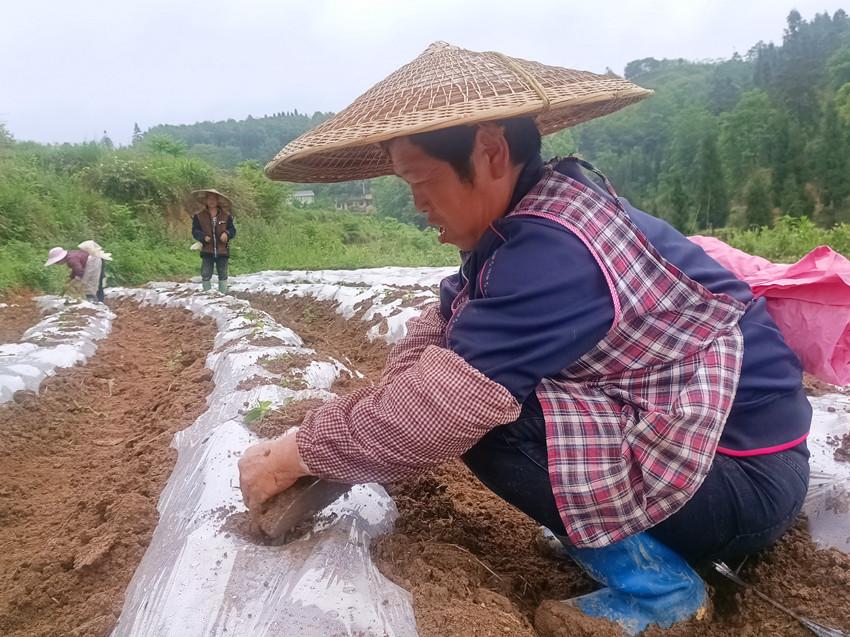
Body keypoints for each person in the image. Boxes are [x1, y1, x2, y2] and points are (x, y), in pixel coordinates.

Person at [239, 43, 811, 635]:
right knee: (461, 389)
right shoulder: (520, 224)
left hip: (744, 480)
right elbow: (439, 339)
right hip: (698, 440)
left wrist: (290, 454)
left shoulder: (555, 250)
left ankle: (659, 588)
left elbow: (437, 405)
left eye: (421, 179)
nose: (417, 204)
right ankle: (610, 527)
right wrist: (329, 441)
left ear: (489, 153)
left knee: (487, 419)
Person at [191, 189, 236, 293]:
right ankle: (207, 295)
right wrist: (203, 237)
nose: (211, 201)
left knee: (223, 274)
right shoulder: (199, 216)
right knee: (206, 273)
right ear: (206, 200)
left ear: (218, 201)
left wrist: (227, 234)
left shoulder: (226, 215)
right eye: (209, 198)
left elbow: (232, 230)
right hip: (207, 250)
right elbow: (195, 230)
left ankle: (223, 296)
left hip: (223, 250)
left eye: (214, 199)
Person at [44, 241, 110, 302]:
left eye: (56, 262)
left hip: (94, 261)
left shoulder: (71, 259)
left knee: (90, 285)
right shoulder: (70, 256)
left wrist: (74, 282)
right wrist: (70, 278)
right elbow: (75, 270)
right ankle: (99, 301)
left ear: (60, 259)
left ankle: (94, 302)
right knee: (98, 284)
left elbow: (80, 271)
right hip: (96, 260)